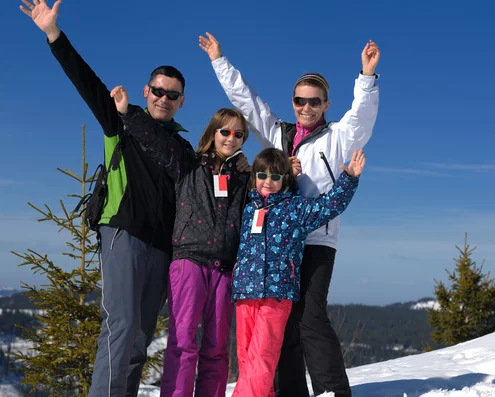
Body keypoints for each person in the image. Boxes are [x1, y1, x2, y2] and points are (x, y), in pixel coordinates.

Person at [20, 1, 193, 396]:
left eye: (173, 94)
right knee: (120, 328)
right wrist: (53, 35)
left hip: (162, 248)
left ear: (182, 100)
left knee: (140, 337)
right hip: (123, 235)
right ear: (147, 91)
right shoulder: (122, 119)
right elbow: (86, 82)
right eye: (158, 91)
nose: (164, 98)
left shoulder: (182, 150)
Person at [199, 32, 380, 397]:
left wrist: (366, 78)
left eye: (314, 101)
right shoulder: (280, 134)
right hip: (280, 246)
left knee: (311, 318)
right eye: (300, 100)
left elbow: (361, 118)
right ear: (293, 102)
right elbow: (247, 103)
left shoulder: (337, 136)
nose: (306, 107)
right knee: (285, 326)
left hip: (316, 237)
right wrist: (219, 60)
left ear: (326, 104)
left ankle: (332, 390)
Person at [111, 86, 251, 397]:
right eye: (225, 132)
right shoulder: (188, 163)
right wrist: (128, 112)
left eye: (238, 135)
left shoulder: (245, 178)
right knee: (183, 343)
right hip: (189, 261)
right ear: (213, 133)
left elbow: (273, 184)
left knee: (216, 348)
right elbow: (155, 141)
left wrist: (287, 171)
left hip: (225, 269)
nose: (231, 138)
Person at [232, 148, 365, 397]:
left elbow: (329, 206)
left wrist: (349, 179)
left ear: (284, 179)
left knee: (263, 356)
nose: (268, 182)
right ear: (253, 177)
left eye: (275, 177)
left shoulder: (295, 209)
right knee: (246, 355)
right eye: (262, 175)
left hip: (277, 294)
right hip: (245, 292)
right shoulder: (246, 206)